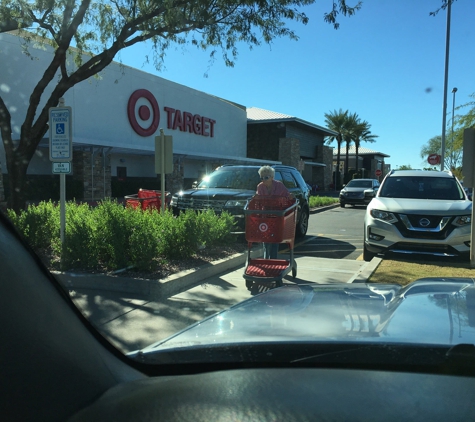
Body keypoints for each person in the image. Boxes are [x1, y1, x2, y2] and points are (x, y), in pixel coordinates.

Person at [256, 166, 293, 259]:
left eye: (266, 177)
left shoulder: (279, 185)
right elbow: (258, 200)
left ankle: (273, 259)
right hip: (265, 216)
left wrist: (291, 197)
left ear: (272, 177)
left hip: (277, 215)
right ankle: (266, 259)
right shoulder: (260, 187)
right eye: (262, 178)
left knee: (275, 239)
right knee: (265, 239)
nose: (263, 180)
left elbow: (287, 195)